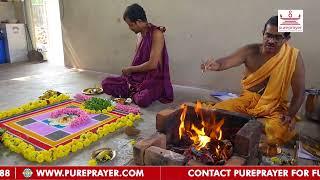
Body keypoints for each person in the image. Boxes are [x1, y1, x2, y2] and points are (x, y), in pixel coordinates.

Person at [201, 16, 305, 145]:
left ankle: (243, 129)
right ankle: (244, 128)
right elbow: (227, 61)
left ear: (286, 39)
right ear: (263, 33)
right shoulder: (251, 51)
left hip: (274, 107)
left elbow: (299, 93)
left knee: (277, 130)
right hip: (246, 102)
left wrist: (290, 114)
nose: (271, 41)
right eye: (268, 35)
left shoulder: (293, 56)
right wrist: (216, 65)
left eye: (277, 37)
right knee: (215, 114)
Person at [102, 3, 173, 107]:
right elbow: (138, 60)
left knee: (143, 99)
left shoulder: (157, 34)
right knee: (106, 83)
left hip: (153, 79)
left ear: (139, 21)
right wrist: (130, 74)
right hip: (137, 78)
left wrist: (130, 69)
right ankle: (132, 91)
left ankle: (132, 92)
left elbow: (152, 65)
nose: (130, 28)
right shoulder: (140, 35)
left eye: (131, 25)